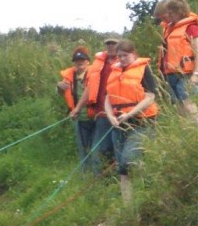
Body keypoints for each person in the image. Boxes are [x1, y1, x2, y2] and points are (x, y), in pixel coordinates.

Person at [104, 40, 159, 204]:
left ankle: (150, 190)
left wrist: (130, 114)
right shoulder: (115, 71)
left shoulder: (143, 69)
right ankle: (127, 205)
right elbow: (108, 98)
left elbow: (151, 96)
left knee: (129, 159)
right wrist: (110, 117)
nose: (121, 58)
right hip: (118, 123)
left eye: (125, 55)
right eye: (119, 56)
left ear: (134, 54)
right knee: (122, 167)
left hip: (141, 122)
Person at [81, 38, 120, 172]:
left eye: (113, 43)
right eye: (108, 44)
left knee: (118, 147)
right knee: (99, 148)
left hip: (120, 113)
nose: (110, 46)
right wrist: (77, 108)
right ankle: (99, 180)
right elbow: (89, 88)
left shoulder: (126, 62)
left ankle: (118, 178)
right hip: (101, 113)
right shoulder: (97, 65)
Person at [159, 0, 198, 119]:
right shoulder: (170, 29)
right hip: (171, 73)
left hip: (186, 73)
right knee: (179, 107)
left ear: (179, 12)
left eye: (171, 13)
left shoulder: (191, 27)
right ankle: (188, 134)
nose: (168, 16)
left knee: (188, 103)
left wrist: (196, 74)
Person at [57, 46, 95, 172]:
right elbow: (61, 93)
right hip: (79, 119)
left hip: (96, 117)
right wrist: (59, 87)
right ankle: (86, 173)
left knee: (97, 147)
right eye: (77, 60)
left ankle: (98, 173)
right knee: (83, 148)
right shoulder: (68, 77)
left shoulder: (95, 74)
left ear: (88, 61)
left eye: (82, 60)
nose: (80, 63)